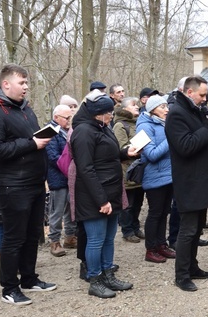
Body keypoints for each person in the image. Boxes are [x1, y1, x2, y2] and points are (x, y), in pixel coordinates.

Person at [0, 64, 57, 305]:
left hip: (34, 183)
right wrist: (32, 144)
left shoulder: (25, 110)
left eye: (26, 82)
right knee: (14, 238)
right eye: (21, 83)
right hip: (12, 185)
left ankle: (29, 279)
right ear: (6, 84)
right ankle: (9, 288)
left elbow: (29, 139)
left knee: (33, 234)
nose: (26, 87)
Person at [71, 93, 136, 298]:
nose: (110, 115)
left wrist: (126, 153)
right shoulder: (82, 132)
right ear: (96, 114)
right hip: (94, 195)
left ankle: (108, 274)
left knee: (109, 239)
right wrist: (101, 200)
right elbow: (86, 168)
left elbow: (110, 154)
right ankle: (95, 279)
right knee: (96, 240)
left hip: (112, 190)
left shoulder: (103, 127)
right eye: (107, 112)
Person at [165, 76, 208, 291]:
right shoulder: (177, 114)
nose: (205, 99)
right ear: (189, 92)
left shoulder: (194, 110)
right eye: (202, 95)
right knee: (187, 231)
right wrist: (206, 130)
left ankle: (193, 267)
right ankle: (182, 275)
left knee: (197, 229)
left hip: (201, 178)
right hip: (189, 181)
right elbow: (185, 146)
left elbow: (199, 141)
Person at [136, 94, 176, 263]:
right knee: (155, 213)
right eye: (162, 107)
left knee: (164, 212)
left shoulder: (165, 124)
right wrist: (170, 138)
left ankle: (161, 244)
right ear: (152, 110)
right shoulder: (143, 127)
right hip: (154, 177)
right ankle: (150, 249)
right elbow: (151, 155)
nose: (167, 109)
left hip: (169, 176)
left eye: (166, 106)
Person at [45, 104, 78, 256]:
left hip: (69, 176)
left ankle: (70, 237)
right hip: (57, 177)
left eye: (70, 117)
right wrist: (69, 167)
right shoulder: (50, 132)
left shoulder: (66, 131)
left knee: (71, 208)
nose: (69, 120)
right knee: (57, 211)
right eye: (66, 118)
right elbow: (53, 156)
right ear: (56, 117)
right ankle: (54, 241)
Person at [113, 97, 145, 242]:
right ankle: (127, 231)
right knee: (128, 204)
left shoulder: (138, 123)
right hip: (127, 171)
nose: (137, 107)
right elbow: (121, 148)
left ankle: (136, 227)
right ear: (125, 109)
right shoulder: (120, 126)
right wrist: (140, 146)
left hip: (139, 169)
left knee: (138, 202)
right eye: (133, 105)